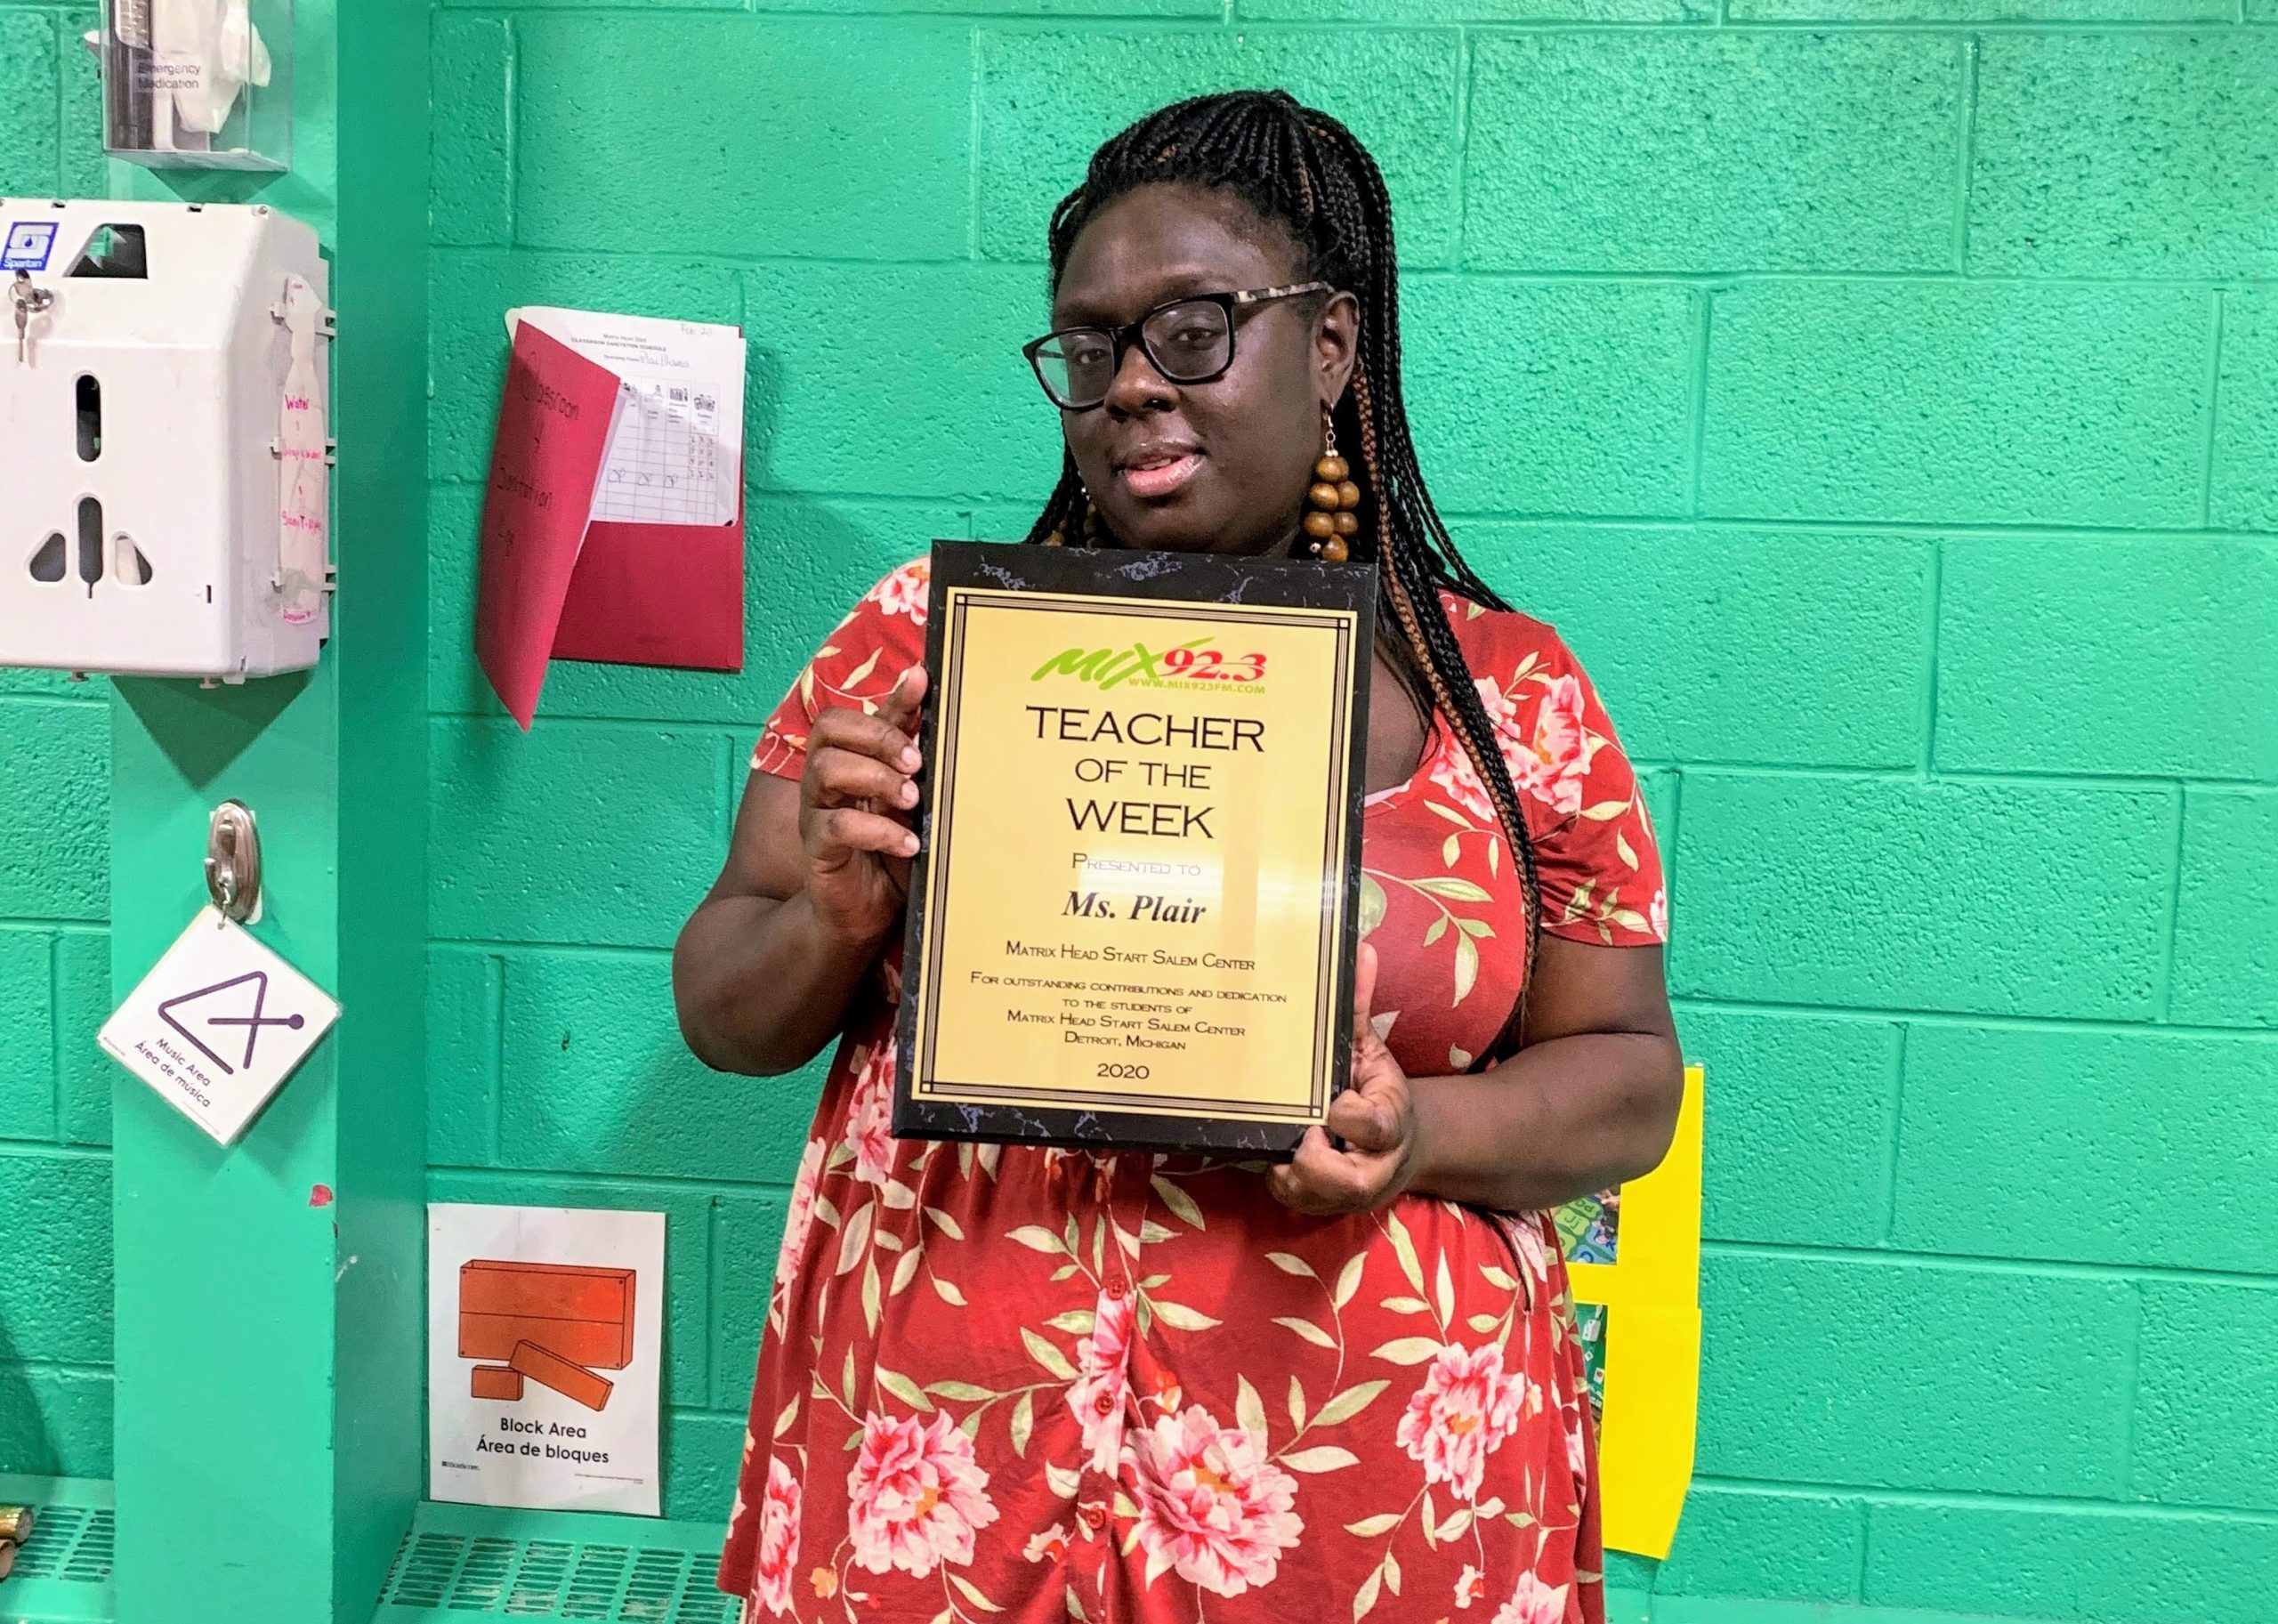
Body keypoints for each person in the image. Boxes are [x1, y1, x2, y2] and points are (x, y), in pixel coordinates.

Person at [678, 89, 1682, 1624]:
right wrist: (832, 913)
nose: (1135, 383)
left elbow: (1627, 1077)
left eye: (1195, 329)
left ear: (1330, 344)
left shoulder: (1512, 696)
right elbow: (722, 1009)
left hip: (1358, 1509)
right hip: (952, 1479)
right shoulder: (923, 647)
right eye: (1091, 349)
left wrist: (1420, 1133)